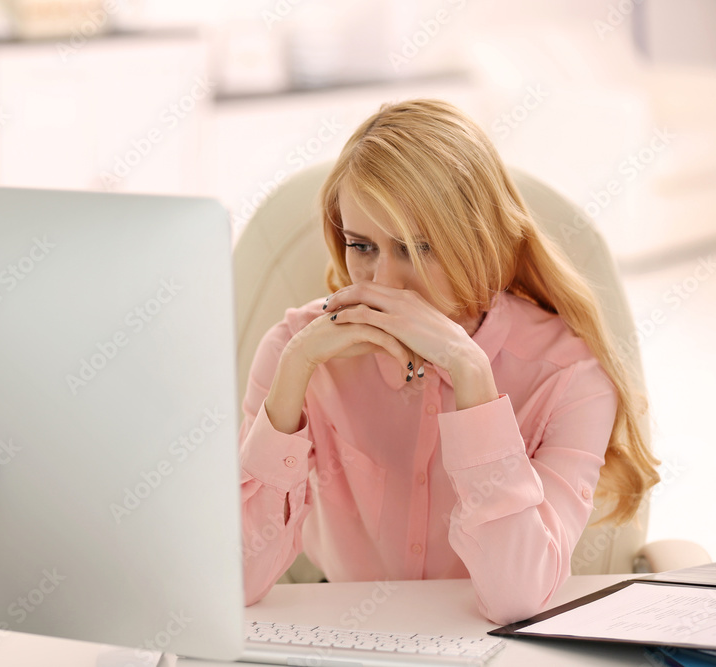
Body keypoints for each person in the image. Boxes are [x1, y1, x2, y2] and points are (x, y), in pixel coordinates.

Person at [237, 98, 660, 624]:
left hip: (496, 645)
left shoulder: (570, 374)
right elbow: (237, 579)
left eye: (417, 249)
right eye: (362, 246)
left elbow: (516, 599)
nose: (384, 282)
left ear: (480, 242)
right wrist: (294, 373)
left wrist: (471, 376)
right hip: (353, 636)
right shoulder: (296, 350)